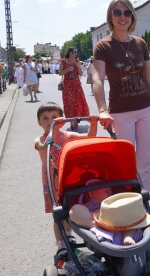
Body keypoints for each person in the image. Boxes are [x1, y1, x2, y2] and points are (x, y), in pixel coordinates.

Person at [91, 0, 150, 194]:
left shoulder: (140, 44)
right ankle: (126, 209)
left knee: (145, 163)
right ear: (110, 16)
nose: (122, 17)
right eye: (117, 12)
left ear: (132, 17)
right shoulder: (103, 47)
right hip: (121, 113)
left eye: (127, 12)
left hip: (147, 109)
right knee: (124, 163)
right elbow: (97, 79)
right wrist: (102, 110)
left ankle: (142, 208)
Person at [34, 102, 99, 261]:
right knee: (58, 215)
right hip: (52, 183)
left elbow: (89, 137)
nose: (50, 121)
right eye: (45, 118)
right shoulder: (40, 139)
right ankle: (60, 244)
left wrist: (93, 123)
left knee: (69, 209)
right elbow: (43, 147)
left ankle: (69, 235)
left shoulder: (68, 136)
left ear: (62, 119)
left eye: (54, 118)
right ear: (39, 122)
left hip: (68, 181)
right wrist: (53, 132)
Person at [69, 180, 139, 246]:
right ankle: (95, 223)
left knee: (130, 216)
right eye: (107, 192)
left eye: (111, 193)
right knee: (75, 209)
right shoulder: (87, 207)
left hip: (120, 226)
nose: (110, 195)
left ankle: (128, 236)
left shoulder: (112, 204)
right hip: (99, 228)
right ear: (92, 193)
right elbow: (76, 212)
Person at [59, 47, 90, 130]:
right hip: (67, 85)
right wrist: (67, 70)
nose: (76, 54)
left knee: (77, 101)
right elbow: (59, 73)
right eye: (74, 52)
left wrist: (78, 66)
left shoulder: (77, 61)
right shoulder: (63, 61)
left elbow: (81, 73)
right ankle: (72, 121)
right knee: (69, 102)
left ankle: (76, 118)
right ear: (69, 53)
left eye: (76, 52)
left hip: (76, 84)